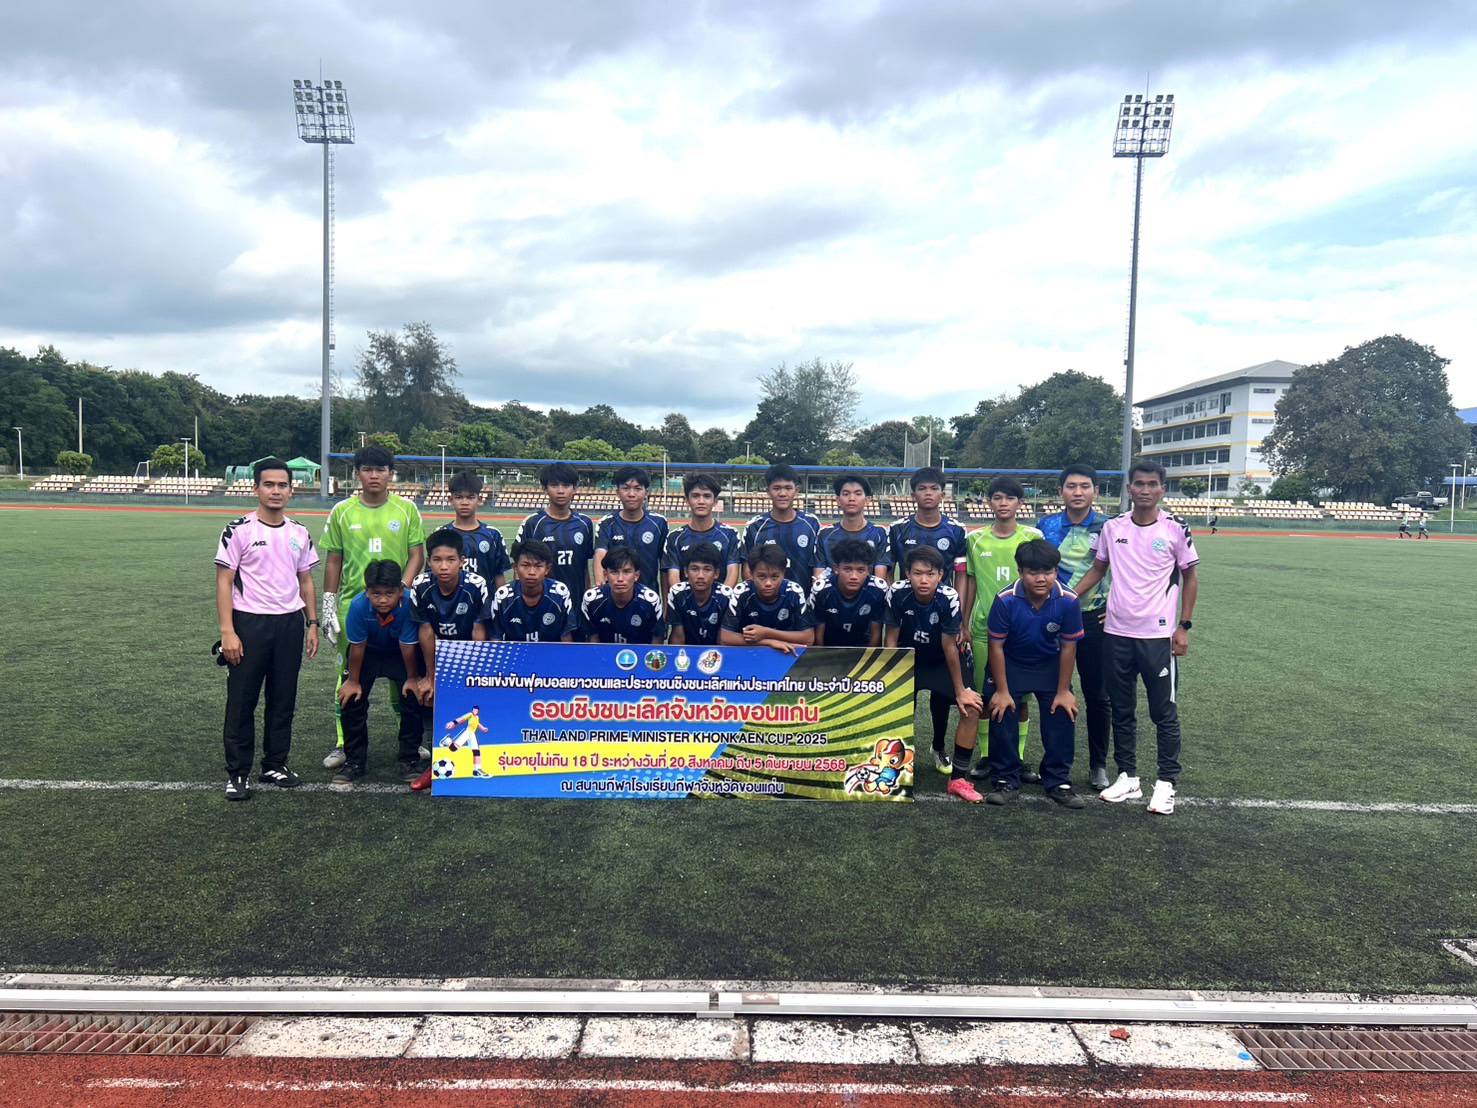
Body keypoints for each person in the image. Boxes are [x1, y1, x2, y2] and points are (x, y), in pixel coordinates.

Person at [1074, 460, 1199, 816]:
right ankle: (1128, 776)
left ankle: (1166, 784)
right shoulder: (1113, 527)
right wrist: (1068, 599)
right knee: (1122, 709)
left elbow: (1190, 577)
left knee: (1163, 712)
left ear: (1162, 489)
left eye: (1152, 484)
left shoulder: (1175, 528)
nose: (1145, 490)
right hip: (1116, 634)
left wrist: (1184, 626)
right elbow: (1098, 569)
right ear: (1129, 488)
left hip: (1157, 636)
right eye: (1139, 484)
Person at [215, 457, 320, 801]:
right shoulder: (238, 530)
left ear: (291, 490)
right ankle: (238, 772)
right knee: (242, 700)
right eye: (269, 484)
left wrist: (312, 623)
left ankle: (275, 763)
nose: (276, 491)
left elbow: (306, 580)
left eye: (282, 485)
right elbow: (224, 581)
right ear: (256, 488)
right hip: (250, 623)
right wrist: (228, 631)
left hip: (289, 624)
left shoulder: (299, 532)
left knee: (283, 698)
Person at [319, 445, 426, 771]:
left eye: (381, 469)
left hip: (399, 606)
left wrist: (402, 590)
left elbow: (417, 555)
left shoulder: (406, 509)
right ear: (358, 474)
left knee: (403, 673)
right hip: (353, 607)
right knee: (348, 675)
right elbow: (334, 559)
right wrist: (328, 604)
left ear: (391, 474)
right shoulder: (342, 511)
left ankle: (410, 742)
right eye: (367, 469)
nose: (374, 475)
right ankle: (343, 743)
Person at [980, 540, 1085, 809]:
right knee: (1001, 708)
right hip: (1011, 662)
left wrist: (1063, 691)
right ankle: (1006, 779)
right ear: (1020, 572)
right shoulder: (1005, 599)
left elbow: (1068, 647)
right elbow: (996, 646)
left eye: (1048, 572)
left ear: (1056, 571)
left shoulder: (1068, 600)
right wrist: (1002, 691)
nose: (1041, 578)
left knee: (1063, 710)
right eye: (1033, 572)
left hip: (1049, 664)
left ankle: (1058, 780)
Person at [959, 476, 1044, 782]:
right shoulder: (975, 539)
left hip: (1024, 631)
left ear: (1020, 503)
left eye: (1010, 498)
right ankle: (987, 756)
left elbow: (1042, 579)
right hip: (984, 629)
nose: (1003, 503)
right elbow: (969, 581)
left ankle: (1017, 758)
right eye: (997, 497)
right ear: (989, 502)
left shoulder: (1033, 536)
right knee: (985, 696)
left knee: (1020, 699)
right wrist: (964, 623)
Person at [1036, 464, 1113, 790]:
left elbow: (1123, 570)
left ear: (1096, 490)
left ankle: (1098, 764)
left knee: (1098, 695)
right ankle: (1056, 764)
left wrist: (1115, 608)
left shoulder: (1109, 526)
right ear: (1061, 491)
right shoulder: (1046, 526)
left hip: (1095, 618)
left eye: (1084, 486)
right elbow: (1036, 568)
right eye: (1071, 486)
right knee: (1055, 691)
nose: (1077, 492)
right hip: (1054, 620)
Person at [886, 546, 982, 799]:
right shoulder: (897, 593)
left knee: (971, 707)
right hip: (909, 659)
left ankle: (958, 779)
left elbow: (949, 646)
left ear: (941, 575)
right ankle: (891, 769)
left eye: (930, 574)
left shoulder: (949, 597)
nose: (924, 580)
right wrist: (890, 680)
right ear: (907, 573)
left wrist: (960, 691)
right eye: (917, 573)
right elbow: (892, 638)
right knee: (892, 705)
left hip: (941, 659)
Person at [406, 528, 493, 791]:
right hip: (436, 652)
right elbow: (425, 630)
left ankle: (484, 762)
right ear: (429, 561)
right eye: (437, 560)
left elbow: (479, 629)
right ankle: (432, 763)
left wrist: (474, 674)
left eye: (450, 560)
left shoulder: (476, 585)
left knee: (475, 701)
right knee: (428, 694)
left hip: (468, 652)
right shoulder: (421, 586)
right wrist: (431, 675)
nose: (444, 567)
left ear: (462, 561)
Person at [332, 559, 424, 791]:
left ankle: (409, 758)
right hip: (368, 652)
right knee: (351, 699)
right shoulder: (358, 606)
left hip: (400, 653)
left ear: (400, 590)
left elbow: (408, 646)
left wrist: (413, 678)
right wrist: (353, 681)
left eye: (389, 593)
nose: (382, 600)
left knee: (413, 696)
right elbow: (357, 647)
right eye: (376, 594)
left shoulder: (409, 603)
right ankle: (354, 761)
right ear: (367, 592)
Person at [515, 462, 596, 614]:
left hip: (576, 603)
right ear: (545, 488)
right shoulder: (532, 523)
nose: (560, 491)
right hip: (542, 603)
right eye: (554, 485)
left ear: (575, 488)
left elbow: (584, 567)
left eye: (566, 485)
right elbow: (520, 567)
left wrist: (587, 598)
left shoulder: (585, 524)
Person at [721, 543, 816, 652]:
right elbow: (725, 638)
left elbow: (808, 638)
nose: (768, 583)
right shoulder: (741, 592)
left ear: (783, 574)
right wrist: (769, 642)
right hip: (750, 652)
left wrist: (766, 633)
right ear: (751, 574)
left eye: (775, 577)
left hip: (785, 652)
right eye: (762, 576)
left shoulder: (794, 591)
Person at [742, 463, 824, 587]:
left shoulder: (812, 524)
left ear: (796, 491)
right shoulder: (754, 526)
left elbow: (819, 565)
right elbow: (748, 571)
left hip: (804, 597)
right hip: (766, 597)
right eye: (776, 488)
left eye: (788, 488)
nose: (782, 493)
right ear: (768, 491)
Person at [888, 467, 967, 592]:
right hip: (905, 601)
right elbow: (889, 571)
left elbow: (961, 574)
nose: (928, 493)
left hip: (943, 601)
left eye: (934, 488)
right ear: (913, 496)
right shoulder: (897, 529)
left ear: (942, 495)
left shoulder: (957, 530)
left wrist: (958, 603)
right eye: (922, 488)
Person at [662, 473, 743, 592]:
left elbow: (732, 572)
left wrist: (721, 599)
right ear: (687, 500)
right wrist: (685, 599)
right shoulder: (674, 538)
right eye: (695, 496)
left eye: (707, 496)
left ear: (715, 501)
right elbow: (673, 576)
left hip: (721, 601)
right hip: (685, 601)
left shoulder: (730, 534)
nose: (701, 501)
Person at [595, 465, 669, 594]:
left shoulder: (659, 523)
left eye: (637, 489)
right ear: (617, 492)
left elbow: (665, 566)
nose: (631, 494)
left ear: (646, 493)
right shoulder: (606, 523)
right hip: (615, 598)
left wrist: (666, 602)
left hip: (648, 597)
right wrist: (600, 590)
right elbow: (600, 556)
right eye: (625, 488)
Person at [488, 539, 576, 642]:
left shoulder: (559, 593)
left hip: (551, 651)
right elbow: (496, 638)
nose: (532, 572)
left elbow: (566, 637)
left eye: (538, 566)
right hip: (515, 651)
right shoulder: (503, 597)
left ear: (547, 569)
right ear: (515, 567)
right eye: (525, 565)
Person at [810, 538, 890, 647]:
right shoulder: (822, 590)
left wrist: (869, 656)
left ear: (868, 570)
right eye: (847, 569)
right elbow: (819, 634)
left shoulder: (878, 589)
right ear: (836, 568)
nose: (854, 576)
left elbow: (876, 633)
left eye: (860, 570)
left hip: (863, 647)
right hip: (830, 648)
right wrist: (823, 655)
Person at [581, 546, 663, 644]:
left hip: (641, 653)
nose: (620, 579)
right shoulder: (592, 600)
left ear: (636, 575)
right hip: (603, 653)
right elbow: (592, 641)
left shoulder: (650, 601)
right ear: (606, 575)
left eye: (626, 572)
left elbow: (656, 643)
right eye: (614, 572)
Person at [447, 470, 510, 590]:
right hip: (451, 601)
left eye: (470, 497)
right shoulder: (442, 534)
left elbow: (499, 575)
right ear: (451, 500)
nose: (464, 502)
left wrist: (502, 599)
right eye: (459, 497)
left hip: (486, 601)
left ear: (479, 499)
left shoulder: (493, 535)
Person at [819, 474, 891, 577]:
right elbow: (818, 576)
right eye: (846, 494)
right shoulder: (825, 534)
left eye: (858, 494)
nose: (851, 498)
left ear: (867, 500)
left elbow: (880, 578)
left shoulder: (880, 533)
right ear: (838, 500)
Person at [666, 542, 733, 646]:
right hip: (687, 651)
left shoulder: (726, 596)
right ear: (686, 572)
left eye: (707, 569)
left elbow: (723, 639)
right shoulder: (677, 594)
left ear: (716, 573)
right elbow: (678, 637)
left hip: (717, 651)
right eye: (695, 569)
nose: (700, 576)